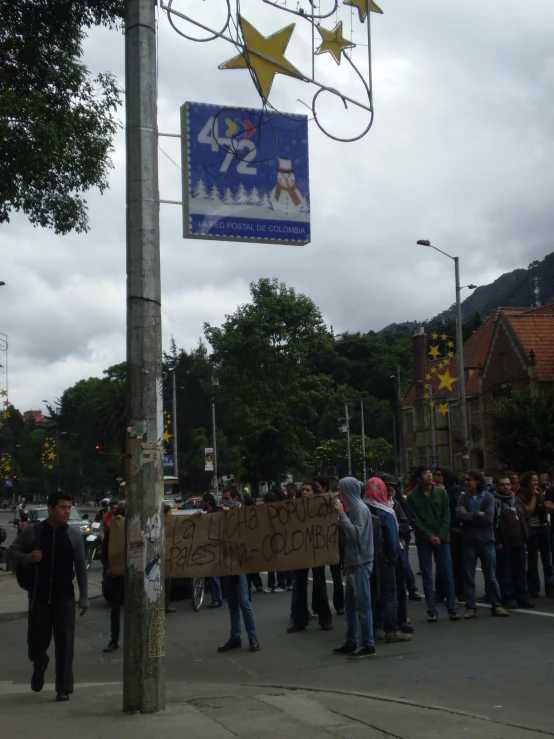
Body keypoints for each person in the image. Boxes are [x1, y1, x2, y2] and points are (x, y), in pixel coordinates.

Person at [8, 491, 88, 702]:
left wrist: (84, 598)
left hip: (65, 599)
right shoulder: (34, 532)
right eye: (63, 507)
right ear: (51, 509)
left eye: (69, 508)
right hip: (39, 598)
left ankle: (63, 688)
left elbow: (80, 568)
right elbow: (12, 552)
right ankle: (39, 663)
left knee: (65, 646)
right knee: (35, 643)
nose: (67, 512)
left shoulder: (73, 536)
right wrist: (28, 558)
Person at [406, 466, 459, 623]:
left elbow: (447, 515)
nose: (429, 476)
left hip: (443, 539)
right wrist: (429, 536)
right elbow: (414, 519)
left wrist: (441, 535)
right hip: (424, 540)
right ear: (419, 478)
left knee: (447, 574)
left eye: (430, 474)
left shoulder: (441, 493)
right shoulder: (412, 496)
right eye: (425, 474)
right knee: (427, 576)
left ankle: (452, 608)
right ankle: (432, 610)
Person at [456, 470, 509, 619]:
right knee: (469, 577)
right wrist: (477, 514)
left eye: (469, 480)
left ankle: (497, 606)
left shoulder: (488, 497)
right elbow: (459, 515)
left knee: (491, 576)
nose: (466, 482)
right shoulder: (463, 498)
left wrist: (470, 515)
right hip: (469, 542)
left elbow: (489, 518)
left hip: (486, 541)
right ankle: (470, 607)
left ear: (477, 482)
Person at [365, 477, 412, 643]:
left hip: (367, 559)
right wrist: (394, 558)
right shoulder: (386, 512)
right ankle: (391, 630)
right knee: (389, 594)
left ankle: (375, 628)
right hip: (384, 558)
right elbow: (392, 540)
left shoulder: (362, 509)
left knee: (372, 594)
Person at [332, 477, 375, 659]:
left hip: (360, 561)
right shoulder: (355, 508)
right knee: (350, 604)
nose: (339, 493)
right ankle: (351, 640)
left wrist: (342, 515)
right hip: (354, 560)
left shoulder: (358, 509)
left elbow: (355, 534)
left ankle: (368, 644)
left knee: (362, 604)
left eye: (341, 489)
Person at [288, 481, 333, 633]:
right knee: (300, 585)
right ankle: (299, 621)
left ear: (314, 493)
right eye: (303, 490)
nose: (304, 492)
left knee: (319, 585)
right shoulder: (295, 508)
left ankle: (325, 619)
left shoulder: (322, 507)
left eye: (308, 490)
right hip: (301, 550)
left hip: (317, 551)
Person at [493, 475, 533, 608]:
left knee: (520, 570)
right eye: (503, 484)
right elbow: (492, 524)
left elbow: (525, 517)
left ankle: (523, 596)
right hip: (504, 542)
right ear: (497, 486)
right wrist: (497, 541)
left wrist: (526, 533)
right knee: (506, 571)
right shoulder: (494, 501)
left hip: (520, 541)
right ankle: (508, 597)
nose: (506, 487)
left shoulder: (516, 501)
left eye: (508, 484)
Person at [381, 474, 414, 634]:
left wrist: (400, 534)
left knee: (400, 587)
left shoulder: (396, 505)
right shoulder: (375, 506)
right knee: (386, 590)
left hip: (397, 551)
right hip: (383, 554)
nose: (390, 489)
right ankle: (385, 622)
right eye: (387, 486)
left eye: (392, 486)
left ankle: (402, 620)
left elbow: (405, 524)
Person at [517, 471, 554, 597]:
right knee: (532, 559)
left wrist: (545, 502)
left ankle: (550, 587)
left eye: (537, 480)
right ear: (527, 482)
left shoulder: (542, 492)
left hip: (543, 527)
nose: (536, 482)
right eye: (533, 480)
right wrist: (533, 497)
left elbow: (546, 507)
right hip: (531, 529)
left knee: (547, 559)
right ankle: (533, 588)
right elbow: (528, 511)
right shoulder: (521, 494)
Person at [313, 475, 345, 615]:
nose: (314, 490)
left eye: (317, 487)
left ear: (324, 488)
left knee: (336, 574)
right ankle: (319, 606)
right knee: (318, 577)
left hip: (333, 541)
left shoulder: (333, 501)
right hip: (317, 543)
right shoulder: (310, 502)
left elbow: (340, 518)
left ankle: (339, 604)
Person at [435, 467, 464, 602]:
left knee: (457, 562)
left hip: (454, 529)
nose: (436, 477)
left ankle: (459, 590)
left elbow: (454, 506)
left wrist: (444, 491)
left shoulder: (455, 490)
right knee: (441, 563)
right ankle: (440, 592)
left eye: (439, 475)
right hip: (440, 529)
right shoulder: (436, 490)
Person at [101, 503, 125, 652]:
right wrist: (107, 569)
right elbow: (104, 552)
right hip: (115, 577)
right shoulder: (111, 531)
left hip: (130, 577)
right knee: (115, 609)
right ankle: (114, 639)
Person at [200, 494, 224, 608]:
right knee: (213, 575)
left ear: (208, 502)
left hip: (216, 547)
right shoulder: (209, 514)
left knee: (214, 575)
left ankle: (218, 599)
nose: (201, 504)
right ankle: (217, 597)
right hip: (211, 547)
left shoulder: (217, 512)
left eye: (202, 502)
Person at [163, 503, 177, 613]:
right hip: (162, 558)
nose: (171, 514)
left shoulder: (172, 524)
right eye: (169, 512)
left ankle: (166, 604)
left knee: (167, 583)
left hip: (168, 557)